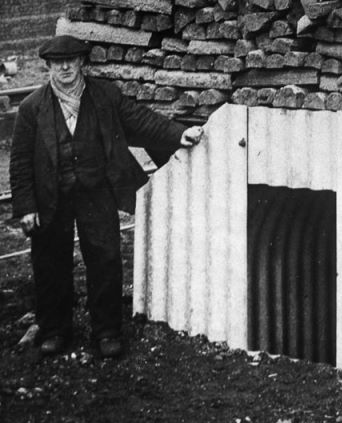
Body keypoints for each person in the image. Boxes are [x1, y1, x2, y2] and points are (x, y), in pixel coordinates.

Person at [10, 34, 204, 359]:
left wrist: (177, 133)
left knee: (106, 259)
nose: (65, 68)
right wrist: (27, 207)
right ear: (48, 67)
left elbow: (140, 119)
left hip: (96, 191)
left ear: (81, 63)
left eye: (71, 61)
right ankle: (55, 330)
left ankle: (107, 331)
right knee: (50, 264)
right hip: (50, 197)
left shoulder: (103, 96)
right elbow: (20, 162)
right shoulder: (32, 108)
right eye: (58, 63)